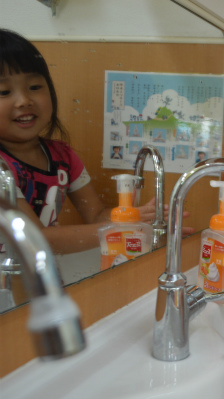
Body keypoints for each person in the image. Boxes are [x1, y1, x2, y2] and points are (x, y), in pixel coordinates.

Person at [0, 29, 193, 254]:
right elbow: (35, 239)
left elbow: (96, 215)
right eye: (4, 91)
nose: (24, 101)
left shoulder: (62, 156)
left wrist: (138, 218)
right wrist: (123, 228)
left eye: (34, 87)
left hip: (37, 271)